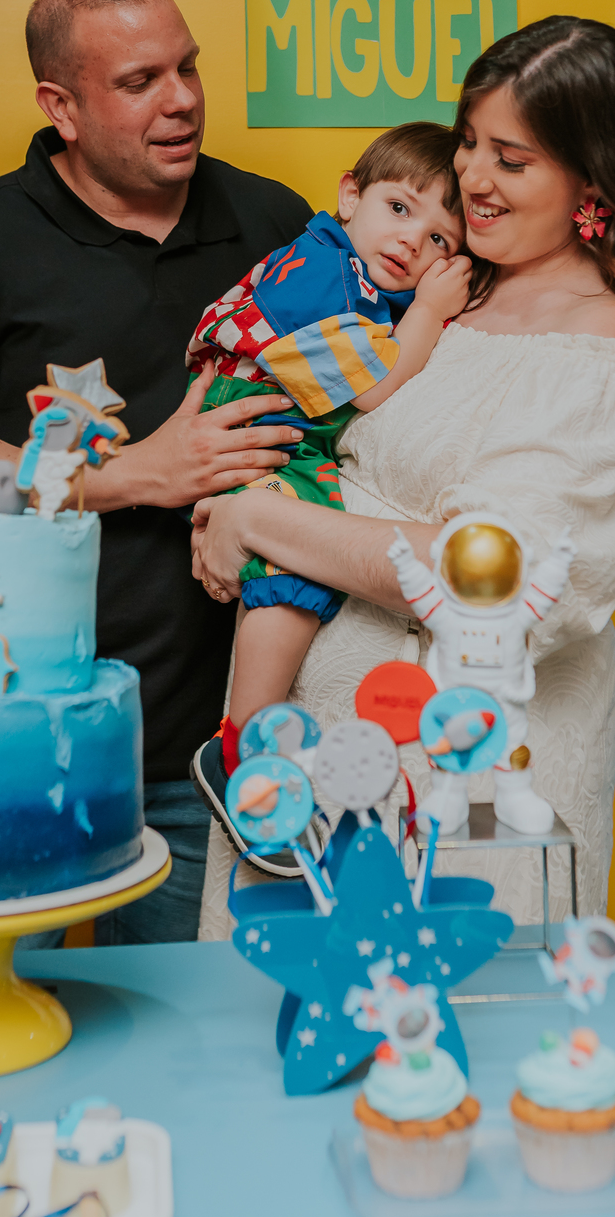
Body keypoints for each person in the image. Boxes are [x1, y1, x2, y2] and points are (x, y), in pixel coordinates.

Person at [192, 16, 615, 932]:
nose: (472, 178)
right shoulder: (455, 284)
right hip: (317, 760)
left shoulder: (597, 347)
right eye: (468, 144)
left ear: (591, 177)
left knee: (444, 1052)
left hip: (463, 784)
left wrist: (259, 521)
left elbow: (488, 574)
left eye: (512, 158)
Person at [0, 0, 312, 943]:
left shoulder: (275, 224)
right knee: (11, 1034)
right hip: (19, 740)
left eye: (186, 67)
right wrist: (134, 473)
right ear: (61, 105)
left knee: (195, 1039)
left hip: (215, 755)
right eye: (140, 81)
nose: (183, 99)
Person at [186, 123, 470, 861]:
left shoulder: (347, 268)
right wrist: (433, 311)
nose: (413, 243)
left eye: (441, 239)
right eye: (400, 209)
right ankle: (244, 749)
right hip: (261, 423)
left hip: (266, 416)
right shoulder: (328, 277)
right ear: (350, 195)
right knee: (294, 565)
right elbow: (373, 388)